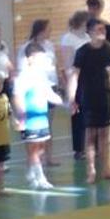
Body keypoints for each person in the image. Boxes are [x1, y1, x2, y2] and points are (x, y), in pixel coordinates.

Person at [68, 19, 110, 185]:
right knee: (91, 135)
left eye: (103, 29)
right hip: (88, 97)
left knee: (104, 135)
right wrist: (72, 98)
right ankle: (91, 170)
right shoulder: (82, 51)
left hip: (104, 95)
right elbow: (74, 76)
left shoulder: (107, 49)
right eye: (98, 29)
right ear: (89, 32)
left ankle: (106, 169)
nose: (102, 31)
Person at [15, 42, 63, 190]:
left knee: (41, 147)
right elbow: (18, 96)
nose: (42, 62)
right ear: (30, 59)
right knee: (33, 149)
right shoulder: (24, 77)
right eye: (39, 59)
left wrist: (62, 101)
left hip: (42, 118)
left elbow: (49, 93)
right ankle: (41, 177)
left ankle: (31, 171)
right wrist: (21, 117)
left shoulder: (41, 76)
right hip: (30, 119)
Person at [58, 10, 91, 158]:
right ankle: (79, 149)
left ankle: (91, 145)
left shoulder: (87, 37)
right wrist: (69, 83)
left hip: (89, 77)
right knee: (77, 113)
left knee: (90, 112)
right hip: (76, 77)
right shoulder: (68, 38)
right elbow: (68, 63)